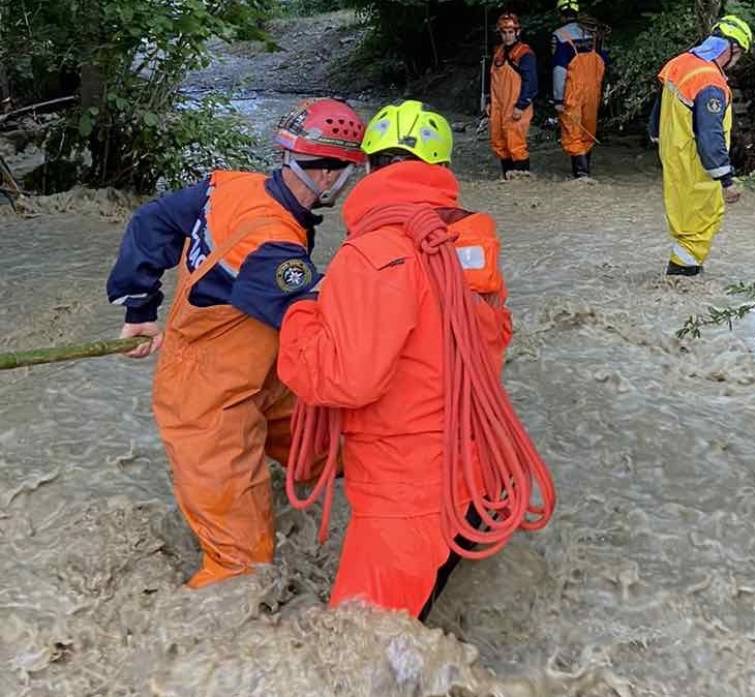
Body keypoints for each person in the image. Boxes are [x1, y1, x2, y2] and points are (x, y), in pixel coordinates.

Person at [277, 101, 536, 619]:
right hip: (477, 475)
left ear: (369, 165)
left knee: (360, 648)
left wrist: (301, 315)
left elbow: (345, 380)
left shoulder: (372, 253)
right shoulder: (470, 240)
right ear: (441, 170)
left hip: (405, 490)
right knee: (417, 617)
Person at [105, 98, 366, 588]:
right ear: (335, 175)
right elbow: (322, 322)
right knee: (242, 569)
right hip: (209, 397)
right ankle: (211, 631)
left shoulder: (227, 188)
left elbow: (152, 221)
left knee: (341, 451)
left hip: (261, 374)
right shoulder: (272, 247)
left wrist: (139, 308)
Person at [649, 15, 753, 276]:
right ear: (733, 48)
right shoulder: (710, 82)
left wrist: (657, 138)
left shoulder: (681, 63)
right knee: (702, 222)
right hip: (697, 165)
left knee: (685, 220)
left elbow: (658, 109)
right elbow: (711, 136)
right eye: (739, 56)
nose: (736, 62)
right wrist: (727, 180)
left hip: (675, 156)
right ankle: (681, 279)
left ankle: (683, 276)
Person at [551, 0, 608, 178]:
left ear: (560, 13)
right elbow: (604, 61)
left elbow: (559, 70)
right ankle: (585, 172)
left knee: (572, 131)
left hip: (572, 91)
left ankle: (581, 175)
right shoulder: (593, 33)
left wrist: (558, 99)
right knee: (588, 129)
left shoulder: (559, 36)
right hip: (593, 91)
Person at [488, 12, 538, 180]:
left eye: (510, 32)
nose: (507, 36)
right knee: (499, 143)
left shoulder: (524, 53)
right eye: (504, 32)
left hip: (517, 106)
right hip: (498, 107)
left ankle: (522, 180)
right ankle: (507, 179)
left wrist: (521, 105)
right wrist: (488, 100)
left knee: (516, 144)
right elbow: (492, 80)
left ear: (517, 32)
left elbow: (531, 83)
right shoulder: (498, 52)